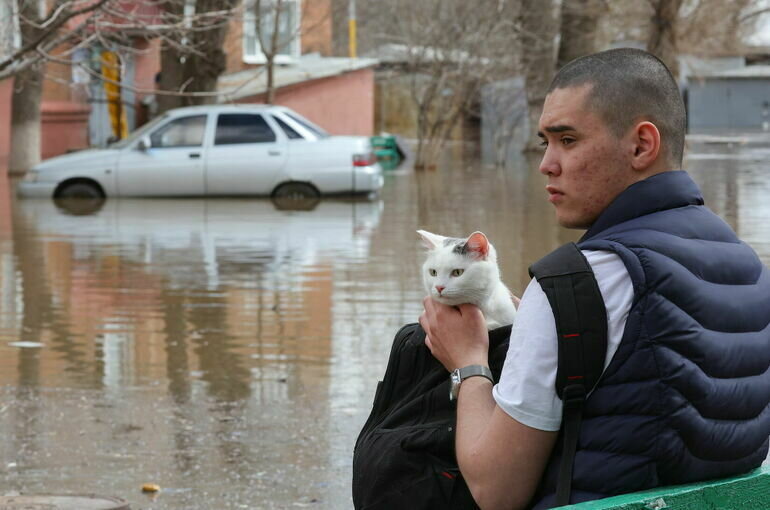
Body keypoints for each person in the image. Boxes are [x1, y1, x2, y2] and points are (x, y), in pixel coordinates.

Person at [419, 47, 770, 510]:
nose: (546, 164)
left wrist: (468, 362)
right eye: (545, 142)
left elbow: (495, 490)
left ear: (642, 145)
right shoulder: (749, 267)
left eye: (567, 140)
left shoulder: (573, 285)